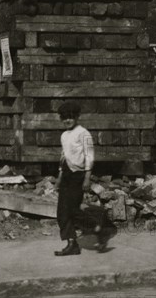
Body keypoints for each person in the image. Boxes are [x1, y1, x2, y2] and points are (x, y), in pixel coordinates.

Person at [54, 100, 111, 256]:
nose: (67, 120)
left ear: (77, 117)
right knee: (61, 212)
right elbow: (63, 156)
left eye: (71, 117)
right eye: (64, 117)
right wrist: (59, 176)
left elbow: (89, 155)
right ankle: (72, 243)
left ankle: (96, 227)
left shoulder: (83, 133)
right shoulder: (64, 135)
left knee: (72, 209)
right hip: (66, 175)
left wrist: (87, 177)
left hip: (78, 175)